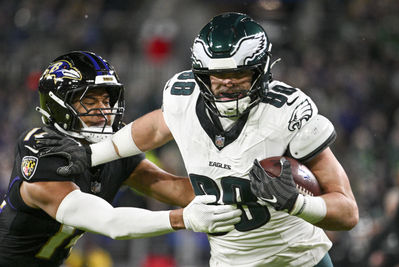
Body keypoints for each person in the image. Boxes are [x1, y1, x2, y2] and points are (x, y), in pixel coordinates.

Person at [38, 13, 359, 266]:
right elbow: (151, 129)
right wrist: (94, 155)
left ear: (261, 72)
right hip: (230, 261)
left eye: (239, 75)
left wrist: (298, 203)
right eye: (217, 76)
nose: (227, 85)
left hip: (299, 257)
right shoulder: (183, 98)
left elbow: (347, 212)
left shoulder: (288, 113)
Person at [0, 51, 242, 267]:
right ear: (59, 105)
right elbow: (110, 222)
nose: (103, 110)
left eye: (106, 100)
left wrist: (243, 190)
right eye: (90, 101)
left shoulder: (109, 150)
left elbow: (174, 188)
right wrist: (183, 218)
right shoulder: (43, 147)